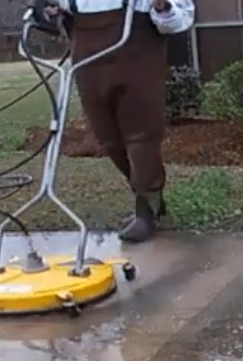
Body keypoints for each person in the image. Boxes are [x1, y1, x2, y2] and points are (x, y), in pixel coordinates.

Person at [32, 0, 195, 243]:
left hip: (137, 53)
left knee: (141, 136)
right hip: (88, 59)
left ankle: (146, 209)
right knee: (108, 138)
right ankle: (150, 197)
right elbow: (51, 13)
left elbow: (179, 20)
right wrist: (48, 12)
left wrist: (162, 7)